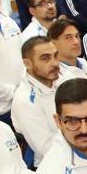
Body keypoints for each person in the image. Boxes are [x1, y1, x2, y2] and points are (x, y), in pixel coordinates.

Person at [12, 36, 66, 166]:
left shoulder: (62, 80)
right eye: (45, 58)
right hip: (51, 165)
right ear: (27, 63)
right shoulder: (24, 100)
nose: (54, 63)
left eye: (55, 56)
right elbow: (46, 148)